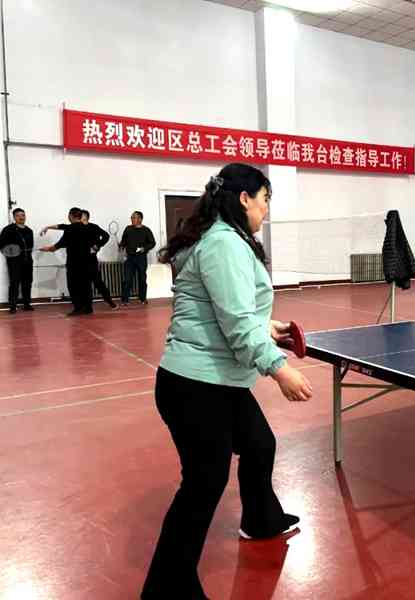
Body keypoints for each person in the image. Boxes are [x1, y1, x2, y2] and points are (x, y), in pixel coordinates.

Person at [141, 163, 313, 600]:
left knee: (259, 444)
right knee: (204, 482)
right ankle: (167, 588)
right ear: (244, 198)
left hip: (217, 381)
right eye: (265, 200)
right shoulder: (224, 244)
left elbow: (229, 311)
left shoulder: (222, 239)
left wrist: (268, 327)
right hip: (196, 385)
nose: (266, 210)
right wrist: (279, 369)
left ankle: (260, 520)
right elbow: (235, 322)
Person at [40, 210, 117, 309]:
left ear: (86, 218)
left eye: (82, 216)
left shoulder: (93, 227)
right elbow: (62, 226)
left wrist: (97, 246)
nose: (81, 218)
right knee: (84, 284)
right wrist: (48, 227)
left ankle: (109, 301)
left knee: (97, 282)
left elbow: (106, 236)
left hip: (91, 260)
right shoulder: (74, 227)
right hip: (80, 261)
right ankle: (85, 307)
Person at [40, 207, 95, 316]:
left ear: (70, 216)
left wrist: (46, 249)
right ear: (80, 216)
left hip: (74, 262)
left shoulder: (70, 229)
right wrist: (48, 227)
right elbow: (62, 227)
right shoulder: (87, 228)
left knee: (73, 285)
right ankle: (88, 308)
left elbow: (58, 245)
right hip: (87, 261)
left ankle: (78, 308)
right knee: (86, 285)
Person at [1, 208, 34, 313]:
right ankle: (12, 306)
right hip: (14, 262)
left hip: (28, 261)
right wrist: (12, 252)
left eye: (23, 215)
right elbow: (2, 245)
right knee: (14, 282)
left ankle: (27, 304)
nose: (21, 217)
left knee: (27, 283)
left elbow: (31, 246)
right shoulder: (8, 229)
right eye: (18, 215)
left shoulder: (29, 230)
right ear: (14, 217)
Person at [119, 210, 156, 305]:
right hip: (130, 258)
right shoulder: (128, 229)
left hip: (141, 258)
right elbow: (124, 241)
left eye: (134, 217)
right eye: (131, 217)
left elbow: (152, 243)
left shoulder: (146, 230)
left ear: (140, 219)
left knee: (142, 278)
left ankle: (142, 298)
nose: (132, 219)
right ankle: (125, 299)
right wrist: (121, 246)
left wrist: (144, 248)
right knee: (127, 279)